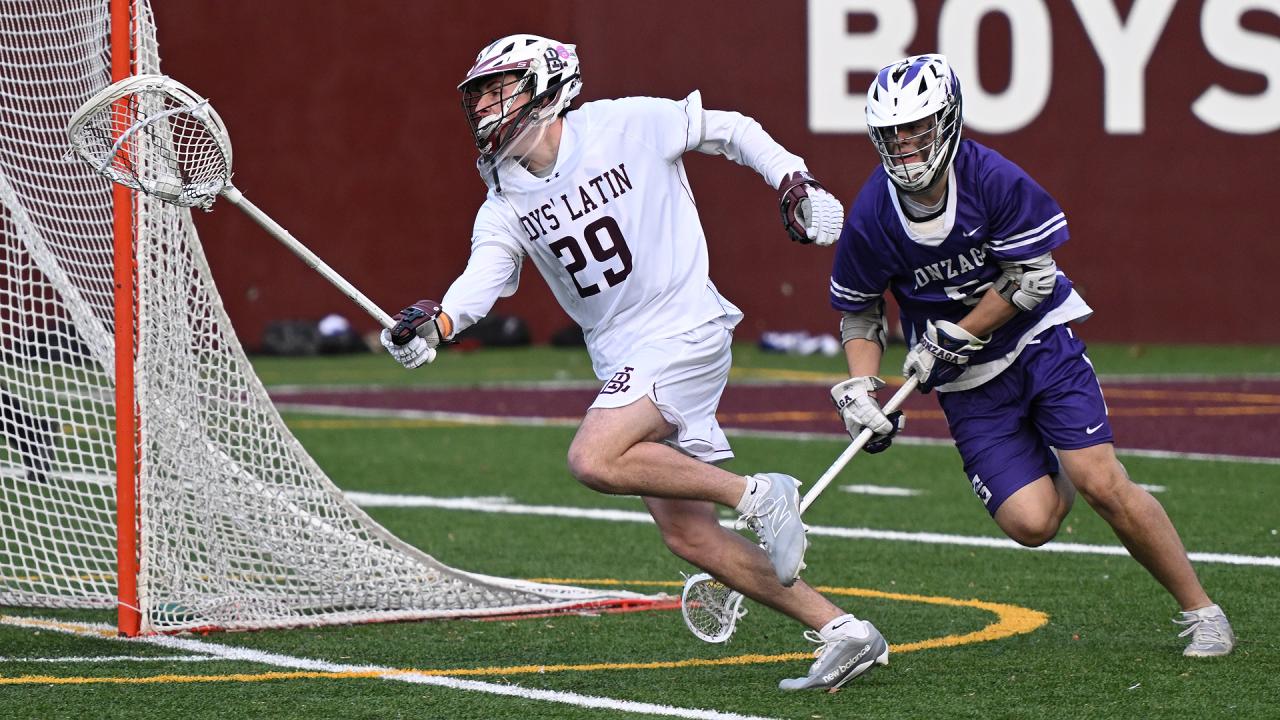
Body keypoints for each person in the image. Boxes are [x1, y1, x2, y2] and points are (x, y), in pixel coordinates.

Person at [381, 34, 888, 691]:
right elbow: (484, 275)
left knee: (592, 457)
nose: (483, 107)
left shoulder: (623, 123)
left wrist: (792, 179)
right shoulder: (504, 198)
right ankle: (844, 631)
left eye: (496, 88)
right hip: (626, 358)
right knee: (689, 537)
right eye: (477, 95)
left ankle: (761, 494)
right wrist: (439, 322)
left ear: (543, 83)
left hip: (686, 329)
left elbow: (728, 128)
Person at [827, 53, 1234, 658]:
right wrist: (862, 390)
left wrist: (956, 333)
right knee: (1032, 523)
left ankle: (1202, 610)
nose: (906, 146)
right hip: (968, 383)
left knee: (1104, 483)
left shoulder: (991, 177)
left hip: (1038, 342)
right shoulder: (872, 214)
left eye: (917, 130)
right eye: (892, 135)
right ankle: (1061, 461)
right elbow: (859, 311)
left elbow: (1033, 280)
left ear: (948, 120)